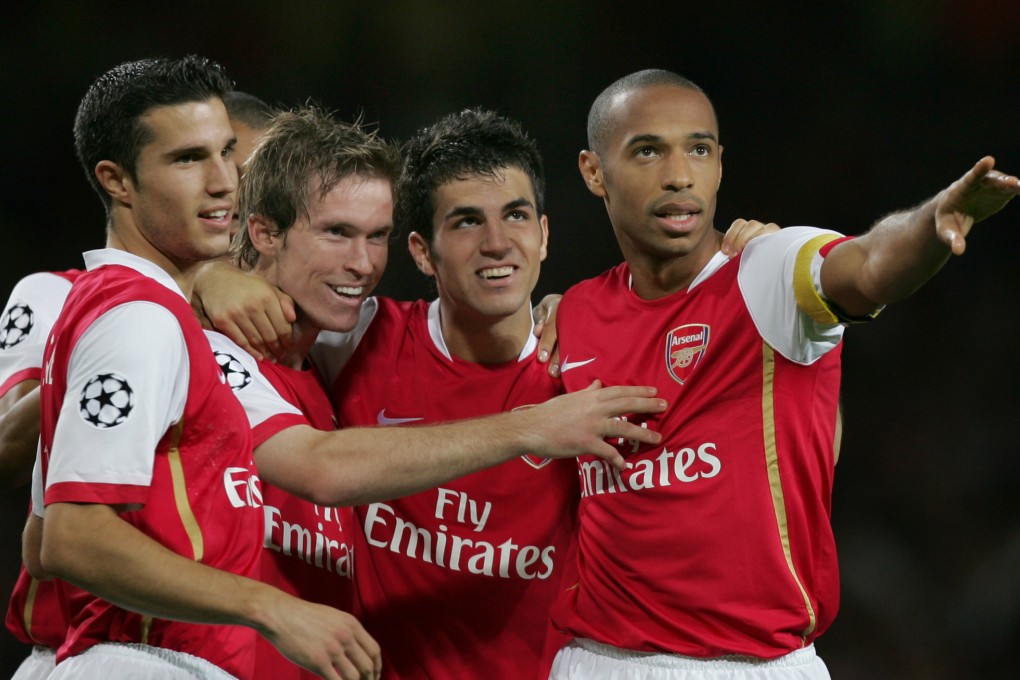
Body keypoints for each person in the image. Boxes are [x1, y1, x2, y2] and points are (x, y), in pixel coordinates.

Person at [196, 106, 776, 679]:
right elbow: (267, 299)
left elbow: (750, 423)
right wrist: (209, 278)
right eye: (467, 222)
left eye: (516, 216)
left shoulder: (584, 363)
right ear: (423, 252)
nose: (497, 243)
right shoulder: (358, 339)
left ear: (543, 235)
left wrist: (772, 285)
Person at [547, 69, 1020, 679]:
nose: (679, 175)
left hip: (753, 666)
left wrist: (931, 221)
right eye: (647, 151)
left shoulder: (767, 268)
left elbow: (869, 265)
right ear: (594, 172)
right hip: (598, 662)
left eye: (698, 150)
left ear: (720, 165)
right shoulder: (573, 314)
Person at [30, 55, 383, 680]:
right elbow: (71, 538)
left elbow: (37, 542)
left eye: (226, 154)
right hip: (144, 660)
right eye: (188, 159)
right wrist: (272, 608)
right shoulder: (140, 319)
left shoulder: (129, 309)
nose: (224, 183)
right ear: (116, 180)